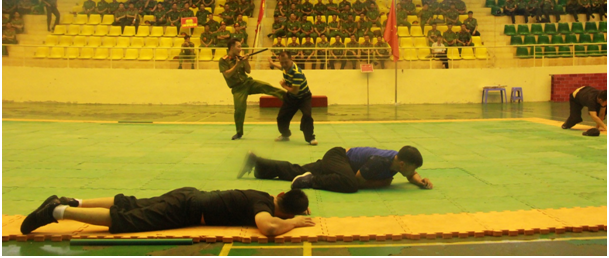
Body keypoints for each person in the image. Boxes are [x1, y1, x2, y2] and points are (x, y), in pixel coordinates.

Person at [19, 188, 313, 236]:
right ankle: (58, 211)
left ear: (281, 194)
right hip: (187, 209)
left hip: (187, 194)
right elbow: (268, 227)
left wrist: (293, 210)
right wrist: (295, 223)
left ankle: (74, 201)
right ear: (285, 213)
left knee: (131, 203)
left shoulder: (263, 196)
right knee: (127, 220)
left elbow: (275, 212)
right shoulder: (263, 208)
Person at [238, 146, 432, 194]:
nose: (414, 171)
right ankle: (311, 180)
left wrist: (420, 181)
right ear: (402, 164)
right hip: (338, 157)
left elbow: (411, 175)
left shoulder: (398, 162)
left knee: (296, 170)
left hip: (341, 163)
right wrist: (382, 183)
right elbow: (358, 181)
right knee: (350, 185)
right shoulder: (380, 162)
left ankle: (259, 164)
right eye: (413, 168)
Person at [219, 39, 286, 140]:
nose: (240, 49)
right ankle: (239, 132)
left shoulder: (240, 57)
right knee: (239, 110)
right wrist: (237, 65)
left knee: (267, 86)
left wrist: (246, 61)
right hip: (238, 88)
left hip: (248, 82)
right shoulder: (223, 60)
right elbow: (227, 75)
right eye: (238, 47)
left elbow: (248, 71)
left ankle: (289, 98)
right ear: (232, 47)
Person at [268, 51, 317, 145]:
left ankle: (310, 138)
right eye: (281, 62)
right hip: (291, 97)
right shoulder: (285, 67)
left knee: (307, 116)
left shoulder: (297, 73)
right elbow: (281, 68)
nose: (284, 64)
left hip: (303, 97)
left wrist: (284, 86)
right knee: (281, 118)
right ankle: (285, 134)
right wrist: (272, 63)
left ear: (291, 59)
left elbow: (295, 91)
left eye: (286, 62)